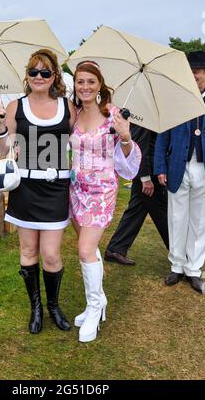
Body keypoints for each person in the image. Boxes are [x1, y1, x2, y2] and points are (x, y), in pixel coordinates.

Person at [0, 49, 75, 334]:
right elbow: (3, 150)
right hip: (25, 188)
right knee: (28, 251)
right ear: (27, 76)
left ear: (55, 76)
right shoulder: (16, 106)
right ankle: (36, 308)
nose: (39, 77)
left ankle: (53, 306)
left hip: (55, 188)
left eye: (45, 72)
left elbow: (82, 141)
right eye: (33, 72)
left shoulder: (68, 107)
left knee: (51, 254)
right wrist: (2, 125)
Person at [69, 61, 141, 342]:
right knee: (88, 249)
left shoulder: (113, 115)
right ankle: (99, 300)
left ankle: (94, 307)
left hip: (101, 192)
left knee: (85, 249)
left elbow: (129, 167)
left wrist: (125, 138)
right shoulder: (73, 115)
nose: (84, 86)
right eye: (80, 81)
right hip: (76, 191)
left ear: (100, 85)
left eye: (90, 81)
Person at [154, 50, 205, 294]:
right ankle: (177, 265)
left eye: (197, 71)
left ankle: (194, 269)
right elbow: (162, 135)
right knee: (177, 217)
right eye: (189, 71)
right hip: (177, 165)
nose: (193, 75)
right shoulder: (174, 99)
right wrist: (159, 167)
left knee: (200, 221)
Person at [104, 125, 169, 266]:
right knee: (164, 212)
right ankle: (178, 252)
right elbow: (139, 145)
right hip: (148, 173)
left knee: (137, 209)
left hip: (151, 171)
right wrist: (145, 178)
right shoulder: (145, 115)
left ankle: (116, 249)